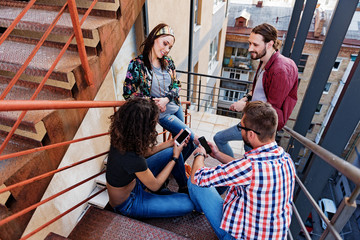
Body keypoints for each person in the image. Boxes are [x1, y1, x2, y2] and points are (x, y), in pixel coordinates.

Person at [188, 101, 296, 239]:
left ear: (251, 134)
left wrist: (200, 154)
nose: (239, 129)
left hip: (238, 236)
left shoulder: (248, 167)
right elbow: (244, 169)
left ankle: (196, 209)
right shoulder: (286, 159)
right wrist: (218, 154)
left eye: (241, 127)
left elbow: (198, 177)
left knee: (193, 182)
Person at [214, 23, 298, 157]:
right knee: (224, 141)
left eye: (255, 45)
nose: (250, 48)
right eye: (249, 43)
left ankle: (235, 169)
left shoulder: (280, 70)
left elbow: (271, 110)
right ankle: (237, 168)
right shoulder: (264, 60)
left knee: (220, 139)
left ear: (270, 44)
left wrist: (245, 106)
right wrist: (246, 98)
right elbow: (260, 89)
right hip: (251, 120)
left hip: (258, 127)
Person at [106, 98, 194, 218]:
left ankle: (181, 187)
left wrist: (171, 142)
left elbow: (145, 152)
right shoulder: (131, 157)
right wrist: (175, 156)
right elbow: (155, 184)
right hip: (128, 203)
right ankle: (160, 194)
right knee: (188, 203)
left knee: (169, 151)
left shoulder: (121, 136)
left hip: (135, 181)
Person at [123, 23, 197, 158]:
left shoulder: (168, 62)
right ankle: (175, 168)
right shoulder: (137, 64)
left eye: (170, 47)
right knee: (189, 136)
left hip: (176, 106)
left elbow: (177, 84)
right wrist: (153, 102)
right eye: (165, 43)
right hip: (162, 114)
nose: (167, 49)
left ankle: (174, 166)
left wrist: (166, 99)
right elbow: (128, 93)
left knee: (184, 142)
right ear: (154, 38)